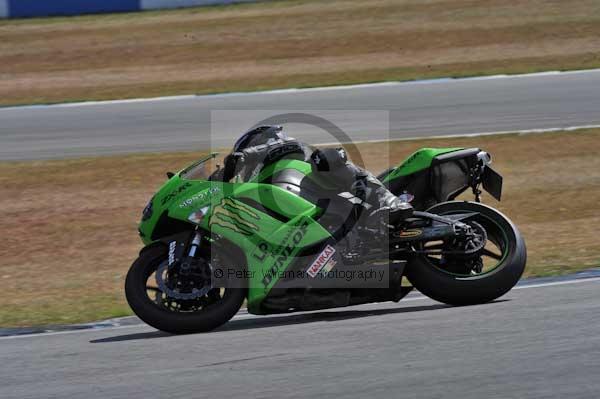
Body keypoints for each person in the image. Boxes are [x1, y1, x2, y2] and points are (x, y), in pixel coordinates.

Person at [221, 125, 413, 225]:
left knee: (324, 159)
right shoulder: (264, 187)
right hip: (327, 216)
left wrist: (243, 155)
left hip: (347, 196)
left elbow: (284, 145)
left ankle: (388, 201)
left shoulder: (286, 149)